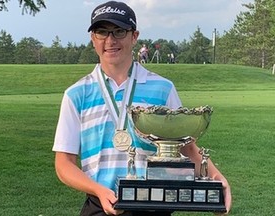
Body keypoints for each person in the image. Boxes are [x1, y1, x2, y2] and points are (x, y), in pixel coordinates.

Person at [52, 1, 232, 216]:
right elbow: (64, 163)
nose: (110, 40)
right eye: (102, 32)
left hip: (155, 205)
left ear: (134, 36)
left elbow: (186, 147)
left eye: (119, 31)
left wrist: (217, 179)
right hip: (101, 204)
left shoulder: (163, 88)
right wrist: (98, 190)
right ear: (93, 39)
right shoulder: (76, 94)